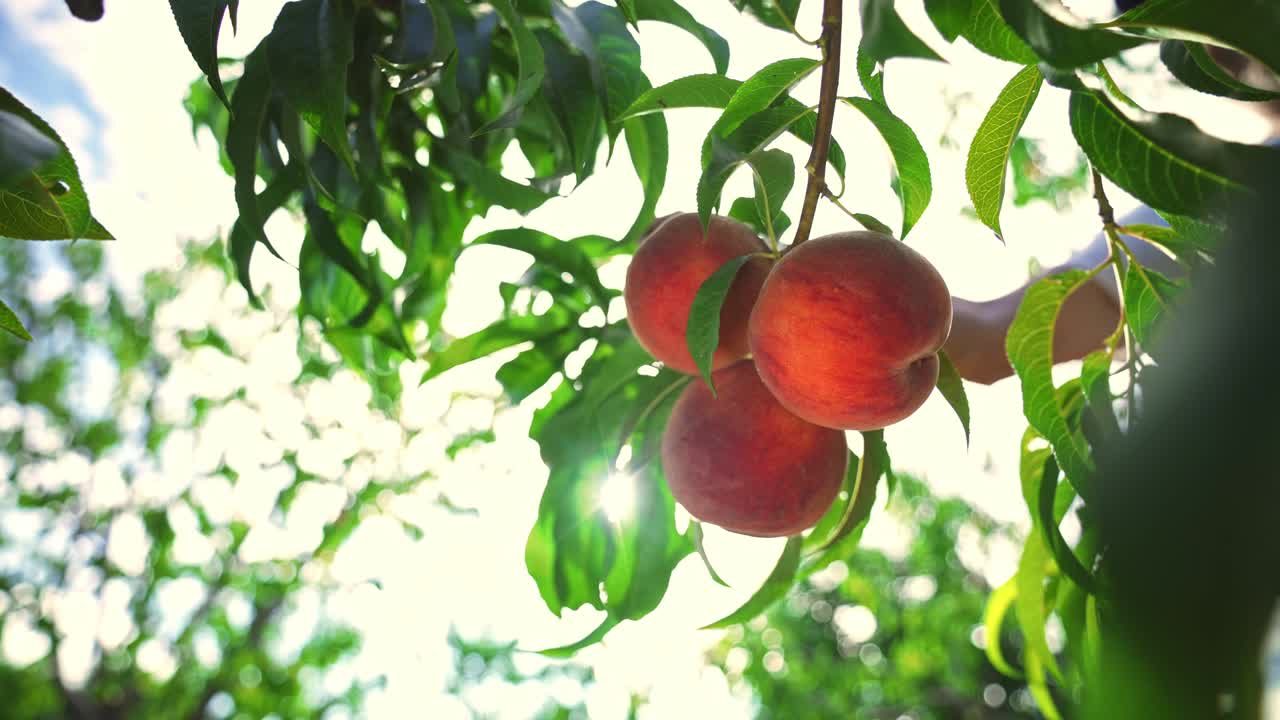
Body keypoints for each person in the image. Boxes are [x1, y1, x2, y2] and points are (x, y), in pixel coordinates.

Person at [944, 46, 1280, 385]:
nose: (1224, 61)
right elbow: (987, 341)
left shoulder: (1237, 191)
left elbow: (985, 342)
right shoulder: (1223, 194)